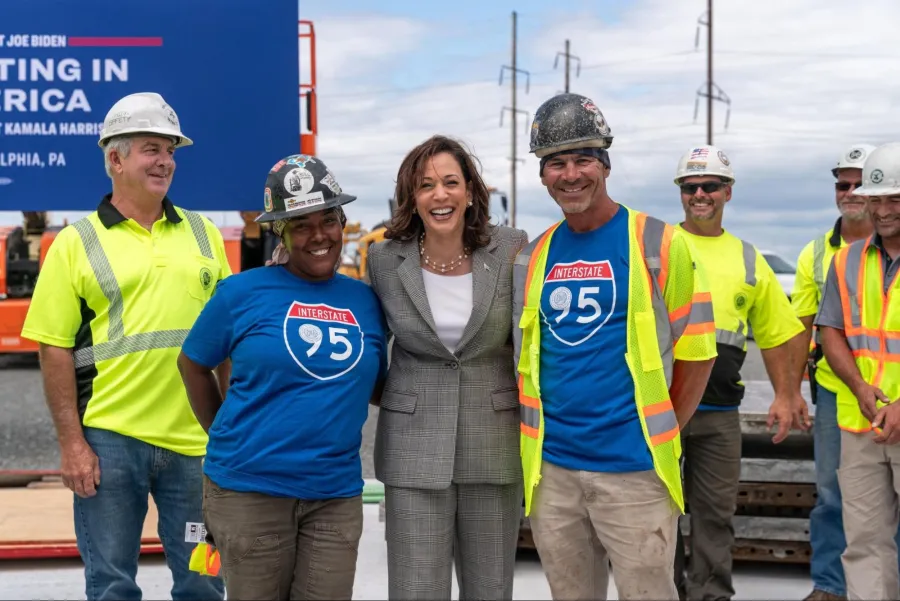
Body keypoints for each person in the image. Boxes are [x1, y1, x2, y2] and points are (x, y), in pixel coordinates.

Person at [19, 92, 229, 601]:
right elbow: (53, 349)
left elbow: (227, 342)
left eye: (171, 150)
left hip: (195, 445)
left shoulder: (205, 234)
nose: (166, 161)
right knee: (112, 586)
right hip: (110, 442)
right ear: (114, 159)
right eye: (151, 148)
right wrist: (72, 444)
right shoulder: (75, 242)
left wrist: (230, 432)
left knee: (204, 584)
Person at [513, 92, 717, 601]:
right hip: (552, 473)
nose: (571, 174)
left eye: (583, 158)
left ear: (605, 164)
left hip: (634, 473)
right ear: (542, 175)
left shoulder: (661, 244)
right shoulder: (533, 257)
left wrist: (661, 431)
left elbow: (698, 353)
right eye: (556, 162)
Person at [176, 155, 387, 600]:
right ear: (280, 232)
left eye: (328, 220)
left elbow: (374, 385)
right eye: (300, 224)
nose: (318, 236)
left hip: (334, 495)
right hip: (249, 493)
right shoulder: (240, 293)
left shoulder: (365, 301)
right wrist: (223, 436)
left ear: (343, 223)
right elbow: (192, 363)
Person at [365, 134, 528, 600]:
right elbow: (369, 347)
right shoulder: (382, 259)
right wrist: (397, 397)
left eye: (451, 182)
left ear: (471, 191)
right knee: (416, 590)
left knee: (490, 590)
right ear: (411, 198)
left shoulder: (512, 248)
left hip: (493, 444)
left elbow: (528, 341)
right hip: (413, 448)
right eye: (426, 185)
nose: (440, 195)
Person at [667, 145, 808, 601]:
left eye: (709, 186)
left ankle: (710, 595)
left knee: (714, 515)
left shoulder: (748, 258)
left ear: (728, 192)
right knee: (654, 514)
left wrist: (787, 396)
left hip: (718, 415)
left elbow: (776, 335)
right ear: (681, 193)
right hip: (658, 414)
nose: (699, 194)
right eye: (690, 187)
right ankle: (659, 593)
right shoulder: (658, 247)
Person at [790, 143, 900, 601]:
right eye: (878, 199)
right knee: (863, 541)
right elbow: (828, 328)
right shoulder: (844, 260)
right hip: (861, 420)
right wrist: (858, 388)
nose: (884, 209)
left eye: (895, 198)